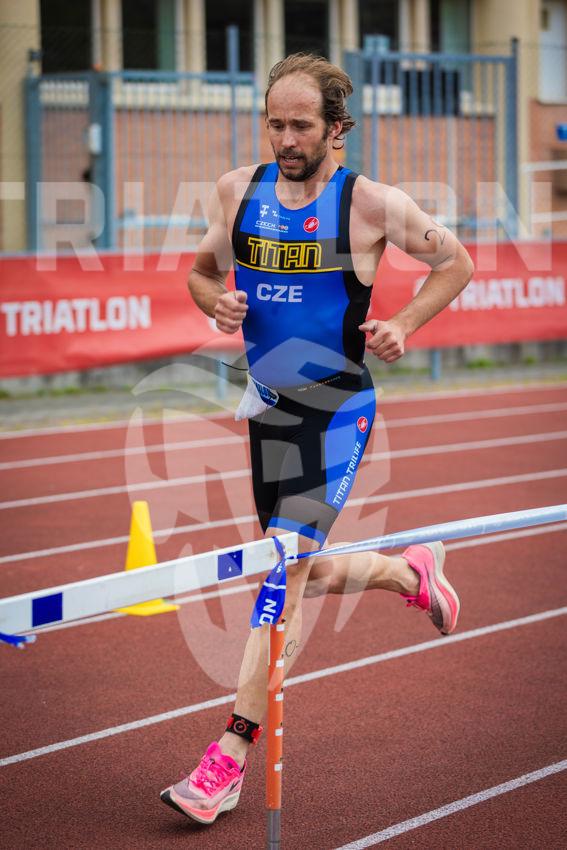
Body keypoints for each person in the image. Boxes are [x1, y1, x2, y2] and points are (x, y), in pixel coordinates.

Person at [160, 53, 473, 824]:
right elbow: (200, 272)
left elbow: (454, 261)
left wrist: (403, 322)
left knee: (282, 580)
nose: (286, 139)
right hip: (266, 408)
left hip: (334, 412)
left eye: (301, 125)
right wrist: (213, 302)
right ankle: (407, 573)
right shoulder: (238, 192)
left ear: (337, 128)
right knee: (300, 569)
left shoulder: (369, 204)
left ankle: (227, 757)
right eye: (275, 123)